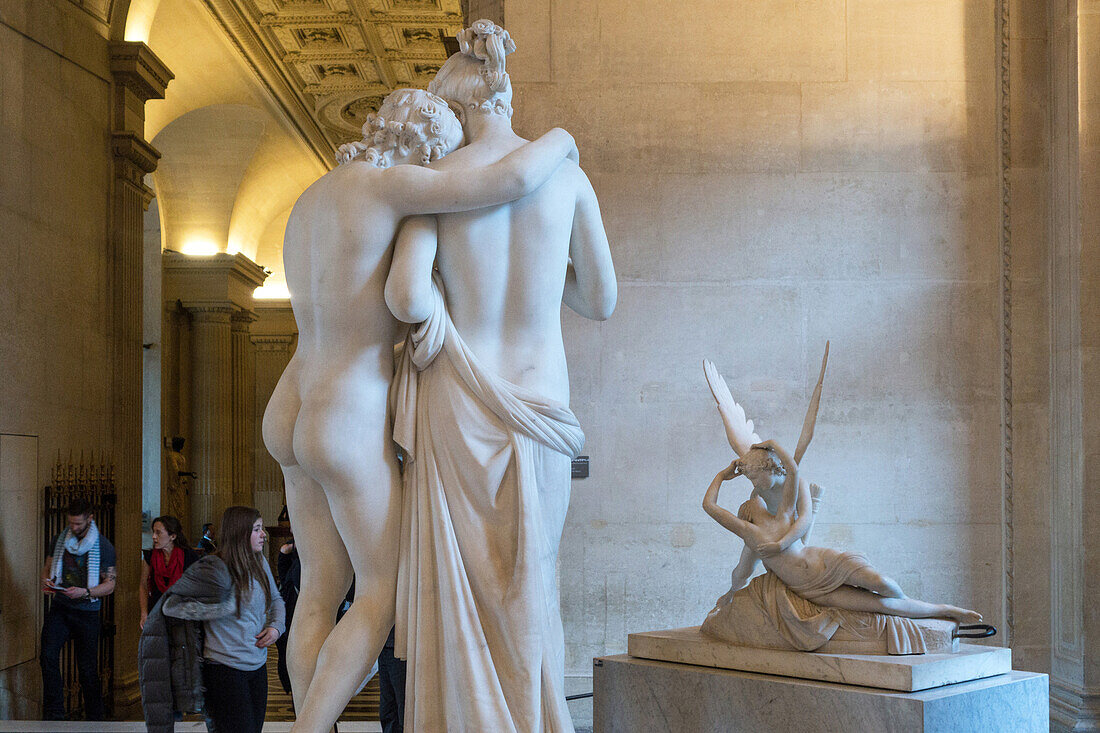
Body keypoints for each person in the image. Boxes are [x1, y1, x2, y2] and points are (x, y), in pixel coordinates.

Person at [261, 86, 579, 732]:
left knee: (318, 588)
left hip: (289, 401)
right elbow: (507, 177)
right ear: (421, 144)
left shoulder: (310, 199)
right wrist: (563, 141)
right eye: (438, 153)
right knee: (381, 595)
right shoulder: (388, 188)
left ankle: (304, 719)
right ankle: (307, 728)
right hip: (343, 408)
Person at [384, 20, 616, 731]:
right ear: (507, 94)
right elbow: (600, 300)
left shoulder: (437, 184)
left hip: (463, 397)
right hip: (544, 398)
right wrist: (545, 283)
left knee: (464, 584)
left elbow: (405, 296)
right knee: (531, 578)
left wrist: (442, 323)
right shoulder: (568, 179)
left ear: (455, 112)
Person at [702, 439, 982, 624]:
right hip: (812, 590)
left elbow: (794, 470)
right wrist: (720, 476)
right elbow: (710, 506)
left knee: (883, 584)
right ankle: (946, 611)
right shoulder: (750, 533)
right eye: (748, 502)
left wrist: (772, 445)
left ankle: (924, 606)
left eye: (753, 479)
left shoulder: (785, 513)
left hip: (826, 563)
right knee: (882, 606)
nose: (753, 493)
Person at [138, 506, 284, 733]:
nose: (263, 534)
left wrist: (275, 627)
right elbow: (171, 606)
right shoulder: (213, 566)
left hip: (257, 666)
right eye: (257, 529)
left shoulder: (260, 562)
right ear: (239, 532)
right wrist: (220, 608)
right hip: (224, 669)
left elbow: (276, 599)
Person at [40, 498, 117, 721]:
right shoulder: (59, 540)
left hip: (87, 611)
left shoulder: (103, 546)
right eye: (71, 523)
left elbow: (110, 584)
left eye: (79, 524)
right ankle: (54, 714)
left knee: (87, 669)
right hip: (61, 608)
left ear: (90, 519)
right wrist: (47, 583)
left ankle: (95, 717)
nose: (74, 528)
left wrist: (85, 592)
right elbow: (47, 568)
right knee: (47, 655)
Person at [140, 515, 199, 630]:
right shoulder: (150, 556)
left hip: (181, 612)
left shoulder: (189, 556)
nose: (153, 537)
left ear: (172, 536)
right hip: (156, 609)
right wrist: (144, 612)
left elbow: (196, 587)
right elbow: (143, 585)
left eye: (158, 533)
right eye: (153, 532)